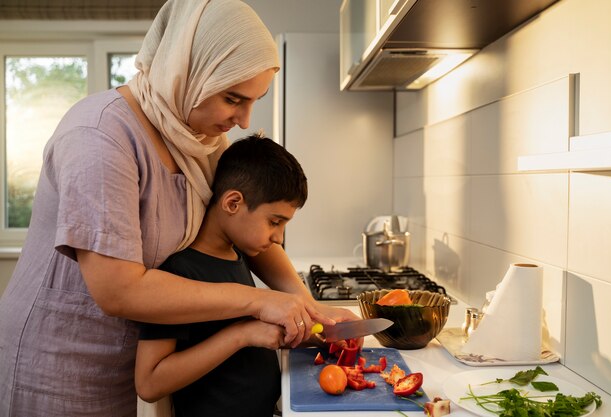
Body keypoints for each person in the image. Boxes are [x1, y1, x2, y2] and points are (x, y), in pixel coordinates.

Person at [0, 1, 358, 415]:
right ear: (190, 72)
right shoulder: (99, 137)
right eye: (232, 98)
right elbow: (118, 289)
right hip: (59, 361)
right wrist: (256, 302)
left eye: (253, 100)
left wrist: (307, 309)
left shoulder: (197, 138)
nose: (244, 119)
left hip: (125, 357)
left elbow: (246, 234)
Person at [136, 134, 307, 417]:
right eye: (274, 222)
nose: (278, 238)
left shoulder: (237, 256)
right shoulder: (178, 272)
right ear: (232, 203)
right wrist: (241, 335)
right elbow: (149, 382)